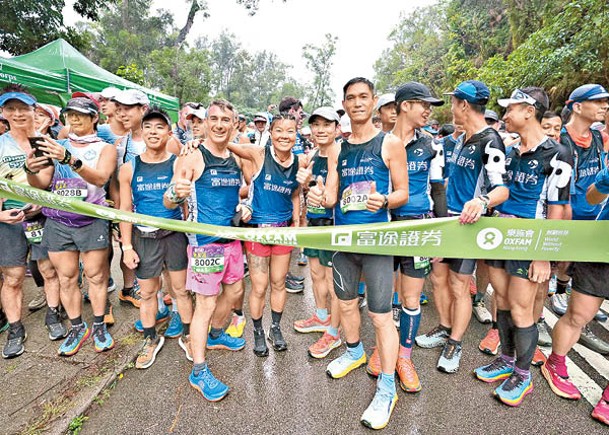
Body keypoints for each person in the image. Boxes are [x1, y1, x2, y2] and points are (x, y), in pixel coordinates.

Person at [308, 77, 408, 430]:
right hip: (343, 244)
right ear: (345, 105)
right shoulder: (337, 148)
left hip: (377, 244)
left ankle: (387, 387)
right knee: (347, 304)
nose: (357, 103)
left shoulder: (390, 143)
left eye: (364, 97)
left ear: (374, 101)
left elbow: (403, 193)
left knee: (381, 316)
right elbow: (333, 196)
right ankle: (353, 351)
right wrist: (320, 197)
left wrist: (385, 200)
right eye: (351, 98)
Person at [473, 87, 572, 407]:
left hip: (530, 241)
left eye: (511, 109)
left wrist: (544, 255)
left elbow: (557, 208)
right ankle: (505, 359)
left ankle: (523, 375)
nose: (505, 116)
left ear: (529, 111)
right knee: (500, 300)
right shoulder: (512, 151)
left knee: (520, 307)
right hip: (502, 236)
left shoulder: (557, 153)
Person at [416, 80, 509, 374]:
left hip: (469, 225)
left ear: (464, 105)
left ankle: (455, 343)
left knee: (459, 285)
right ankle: (444, 326)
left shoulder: (490, 141)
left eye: (454, 103)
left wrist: (481, 202)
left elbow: (501, 190)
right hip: (446, 221)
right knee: (438, 278)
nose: (452, 108)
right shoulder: (459, 139)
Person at [165, 100, 250, 401]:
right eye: (213, 118)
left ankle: (215, 334)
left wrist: (246, 206)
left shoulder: (237, 157)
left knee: (236, 290)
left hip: (232, 239)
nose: (218, 124)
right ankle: (198, 370)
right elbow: (169, 199)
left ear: (234, 123)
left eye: (225, 119)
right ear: (204, 122)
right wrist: (176, 193)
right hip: (205, 244)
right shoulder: (192, 156)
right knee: (206, 303)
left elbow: (244, 190)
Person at [367, 82, 443, 394]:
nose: (428, 110)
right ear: (403, 106)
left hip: (418, 227)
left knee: (411, 298)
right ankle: (382, 347)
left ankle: (405, 357)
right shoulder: (378, 143)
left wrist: (440, 234)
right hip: (384, 224)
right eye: (421, 103)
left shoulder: (431, 144)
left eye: (430, 105)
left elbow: (438, 188)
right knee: (383, 298)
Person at [25, 96, 117, 356]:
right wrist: (30, 168)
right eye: (69, 114)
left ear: (94, 118)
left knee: (96, 276)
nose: (74, 119)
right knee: (66, 278)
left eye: (81, 114)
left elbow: (100, 179)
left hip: (91, 221)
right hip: (58, 221)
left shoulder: (104, 148)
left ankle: (99, 325)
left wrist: (68, 159)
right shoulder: (56, 145)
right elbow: (40, 183)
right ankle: (78, 327)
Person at [118, 108, 190, 369]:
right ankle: (150, 339)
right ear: (141, 132)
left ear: (169, 133)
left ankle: (189, 336)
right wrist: (126, 247)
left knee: (180, 290)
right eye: (148, 127)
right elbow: (125, 209)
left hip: (174, 235)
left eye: (159, 127)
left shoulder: (178, 163)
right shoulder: (128, 169)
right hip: (144, 237)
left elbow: (184, 205)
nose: (153, 132)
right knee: (148, 292)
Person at [227, 113, 303, 358]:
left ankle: (275, 328)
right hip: (258, 231)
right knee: (259, 286)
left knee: (279, 283)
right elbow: (227, 144)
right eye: (279, 130)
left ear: (296, 134)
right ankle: (257, 331)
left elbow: (294, 194)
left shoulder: (298, 162)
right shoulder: (260, 154)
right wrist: (197, 141)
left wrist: (297, 222)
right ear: (271, 133)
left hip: (282, 232)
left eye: (289, 131)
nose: (284, 136)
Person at [540, 164, 609, 425]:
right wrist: (605, 181)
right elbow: (593, 196)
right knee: (579, 314)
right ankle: (555, 363)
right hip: (602, 247)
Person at [0, 86, 65, 358]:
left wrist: (45, 200)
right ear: (3, 113)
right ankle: (15, 328)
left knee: (49, 270)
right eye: (11, 109)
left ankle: (53, 314)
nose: (17, 114)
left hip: (43, 216)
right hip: (9, 220)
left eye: (23, 108)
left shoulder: (46, 142)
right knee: (13, 277)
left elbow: (56, 179)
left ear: (33, 110)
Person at [550, 84, 609, 343]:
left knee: (582, 282)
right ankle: (542, 316)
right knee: (554, 267)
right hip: (565, 217)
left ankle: (579, 321)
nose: (604, 107)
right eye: (598, 102)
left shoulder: (598, 138)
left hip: (594, 221)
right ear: (577, 106)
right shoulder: (559, 138)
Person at [292, 107, 342, 359]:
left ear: (336, 128)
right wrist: (305, 182)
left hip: (332, 224)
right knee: (315, 273)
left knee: (335, 283)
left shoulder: (338, 153)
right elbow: (308, 189)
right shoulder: (313, 154)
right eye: (316, 125)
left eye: (326, 125)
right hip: (314, 221)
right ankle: (321, 317)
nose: (321, 130)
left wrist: (318, 190)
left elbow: (331, 195)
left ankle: (334, 332)